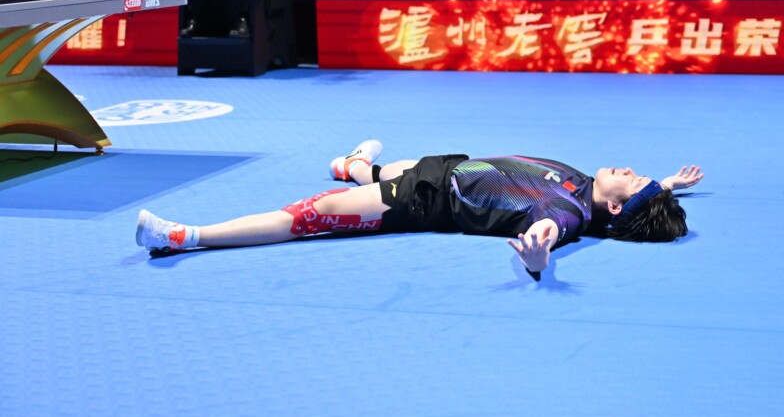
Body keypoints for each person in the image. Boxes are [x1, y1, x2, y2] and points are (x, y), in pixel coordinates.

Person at [136, 140, 704, 277]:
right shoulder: (589, 189)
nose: (628, 169)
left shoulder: (569, 211)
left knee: (305, 217)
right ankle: (356, 164)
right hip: (446, 168)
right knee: (384, 169)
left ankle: (185, 236)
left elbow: (548, 230)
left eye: (634, 180)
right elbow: (641, 209)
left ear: (617, 208)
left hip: (425, 201)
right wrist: (667, 187)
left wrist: (538, 257)